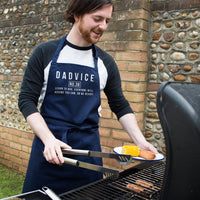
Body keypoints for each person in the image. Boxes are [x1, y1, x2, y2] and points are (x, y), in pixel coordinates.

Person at [18, 0, 158, 195]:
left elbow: (120, 105)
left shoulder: (105, 62)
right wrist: (49, 139)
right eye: (97, 19)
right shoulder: (44, 53)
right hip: (49, 151)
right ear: (77, 14)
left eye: (107, 20)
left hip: (88, 156)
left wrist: (140, 142)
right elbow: (26, 100)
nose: (103, 26)